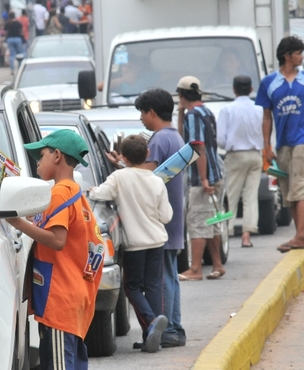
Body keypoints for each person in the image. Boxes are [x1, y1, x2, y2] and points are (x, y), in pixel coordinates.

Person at [5, 129, 104, 369]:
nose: (38, 163)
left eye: (41, 155)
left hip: (60, 299)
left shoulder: (59, 193)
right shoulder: (72, 192)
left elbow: (57, 240)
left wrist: (18, 223)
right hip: (71, 296)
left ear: (57, 156)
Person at [107, 88, 186, 348]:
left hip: (155, 224)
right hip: (168, 220)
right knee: (168, 277)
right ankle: (172, 328)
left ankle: (168, 330)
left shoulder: (159, 140)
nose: (141, 118)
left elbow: (143, 177)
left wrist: (122, 165)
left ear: (152, 112)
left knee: (160, 281)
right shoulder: (174, 136)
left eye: (142, 112)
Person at [89, 134, 171, 353]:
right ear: (147, 154)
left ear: (123, 156)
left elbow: (100, 193)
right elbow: (167, 216)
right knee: (153, 286)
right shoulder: (156, 180)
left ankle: (152, 324)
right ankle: (153, 337)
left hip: (135, 245)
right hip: (157, 241)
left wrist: (90, 190)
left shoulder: (119, 177)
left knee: (132, 288)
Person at [255, 35, 304, 253]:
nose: (301, 57)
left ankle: (301, 235)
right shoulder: (269, 83)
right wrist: (266, 147)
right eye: (298, 53)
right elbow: (266, 117)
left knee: (302, 187)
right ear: (287, 56)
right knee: (290, 193)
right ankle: (300, 235)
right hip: (283, 144)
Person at [176, 76, 226, 281]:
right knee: (212, 221)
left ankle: (195, 268)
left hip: (202, 177)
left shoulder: (193, 115)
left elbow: (198, 147)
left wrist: (204, 179)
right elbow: (183, 139)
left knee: (197, 221)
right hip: (217, 172)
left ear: (181, 94)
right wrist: (180, 114)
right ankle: (217, 264)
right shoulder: (205, 111)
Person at [216, 75, 264, 248]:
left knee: (231, 195)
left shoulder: (227, 110)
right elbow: (267, 133)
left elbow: (220, 139)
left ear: (234, 89)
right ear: (251, 89)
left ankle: (227, 231)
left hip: (235, 155)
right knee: (251, 196)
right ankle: (247, 234)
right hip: (255, 154)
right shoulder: (259, 109)